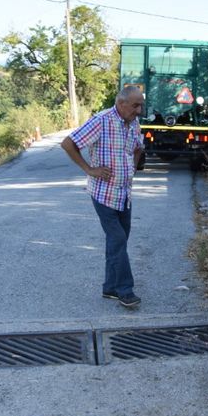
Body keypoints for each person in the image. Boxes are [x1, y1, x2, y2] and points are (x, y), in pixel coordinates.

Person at [61, 87, 145, 308]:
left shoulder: (133, 123)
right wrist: (90, 169)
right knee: (117, 239)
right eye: (135, 105)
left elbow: (138, 147)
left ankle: (110, 288)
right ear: (121, 103)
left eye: (141, 105)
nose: (139, 110)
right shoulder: (102, 121)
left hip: (124, 194)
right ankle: (125, 291)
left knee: (118, 241)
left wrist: (132, 168)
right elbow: (68, 144)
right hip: (104, 194)